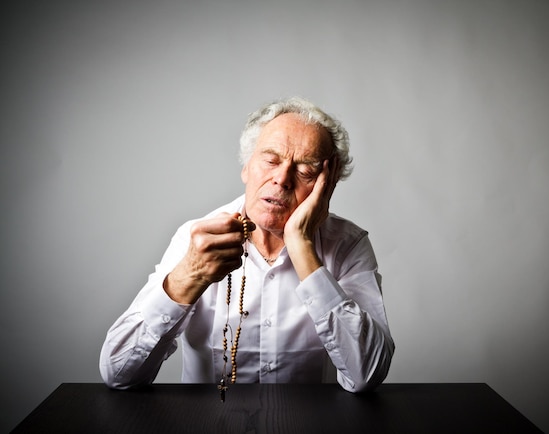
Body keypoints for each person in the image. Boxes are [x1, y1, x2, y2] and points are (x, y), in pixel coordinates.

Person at [99, 97, 395, 393]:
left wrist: (302, 245)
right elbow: (119, 373)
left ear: (327, 185)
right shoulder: (198, 237)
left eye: (305, 170)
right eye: (270, 160)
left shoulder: (347, 245)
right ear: (246, 167)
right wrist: (189, 276)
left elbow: (366, 375)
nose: (281, 179)